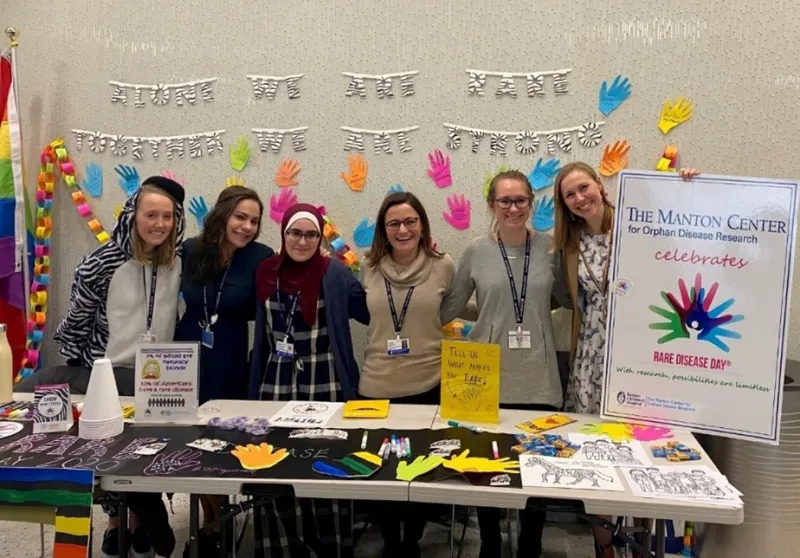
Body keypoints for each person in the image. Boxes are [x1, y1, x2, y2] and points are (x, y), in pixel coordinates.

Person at [16, 176, 185, 558]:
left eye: (167, 216)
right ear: (133, 215)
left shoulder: (178, 261)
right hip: (106, 373)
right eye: (150, 215)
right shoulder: (101, 261)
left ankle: (140, 522)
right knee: (109, 453)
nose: (159, 224)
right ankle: (114, 522)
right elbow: (76, 322)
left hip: (159, 377)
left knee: (147, 453)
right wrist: (83, 370)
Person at [552, 162, 699, 558]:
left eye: (584, 188)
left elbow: (688, 235)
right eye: (570, 195)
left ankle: (641, 542)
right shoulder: (569, 245)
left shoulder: (641, 226)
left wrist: (687, 187)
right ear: (564, 204)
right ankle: (604, 547)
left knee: (641, 449)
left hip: (638, 357)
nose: (580, 198)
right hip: (590, 359)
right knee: (595, 453)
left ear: (600, 186)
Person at [441, 170, 561, 558]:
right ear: (491, 205)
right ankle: (489, 544)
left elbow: (564, 297)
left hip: (538, 373)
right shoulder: (476, 250)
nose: (513, 208)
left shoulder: (551, 248)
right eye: (504, 201)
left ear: (530, 203)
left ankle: (531, 546)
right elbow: (451, 306)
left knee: (537, 470)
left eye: (520, 200)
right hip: (485, 373)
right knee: (486, 465)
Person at [248, 203, 369, 557]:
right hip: (277, 380)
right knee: (276, 463)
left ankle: (330, 545)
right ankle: (285, 545)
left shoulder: (335, 273)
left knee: (325, 461)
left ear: (320, 238)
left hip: (326, 378)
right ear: (283, 234)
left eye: (311, 234)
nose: (302, 241)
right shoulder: (265, 271)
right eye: (295, 233)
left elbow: (367, 312)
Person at [174, 186, 273, 557]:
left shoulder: (261, 257)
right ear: (223, 214)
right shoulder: (190, 250)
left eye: (254, 221)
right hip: (188, 351)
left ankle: (218, 520)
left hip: (230, 352)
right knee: (194, 437)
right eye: (240, 217)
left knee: (223, 437)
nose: (247, 227)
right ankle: (212, 521)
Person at [359, 191, 457, 557]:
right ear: (384, 229)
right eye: (394, 223)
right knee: (381, 472)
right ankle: (389, 542)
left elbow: (456, 307)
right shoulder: (367, 267)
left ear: (422, 224)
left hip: (428, 384)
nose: (403, 229)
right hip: (376, 386)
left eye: (410, 221)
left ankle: (412, 541)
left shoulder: (443, 264)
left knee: (419, 471)